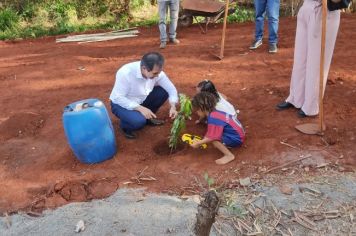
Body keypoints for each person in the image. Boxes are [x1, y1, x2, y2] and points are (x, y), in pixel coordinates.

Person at [276, 0, 340, 117]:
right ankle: (296, 98)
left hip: (324, 10)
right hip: (306, 7)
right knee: (300, 59)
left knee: (316, 62)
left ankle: (310, 106)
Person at [109, 52, 178, 139]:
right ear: (144, 68)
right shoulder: (125, 73)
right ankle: (126, 126)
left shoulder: (157, 73)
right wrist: (140, 108)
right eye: (155, 73)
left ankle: (148, 118)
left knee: (163, 91)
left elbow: (171, 89)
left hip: (141, 99)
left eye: (159, 73)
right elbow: (118, 98)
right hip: (121, 104)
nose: (157, 76)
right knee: (138, 122)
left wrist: (173, 106)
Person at [190, 92, 245, 165]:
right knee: (213, 135)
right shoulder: (215, 113)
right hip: (238, 134)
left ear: (201, 109)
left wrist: (198, 143)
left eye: (197, 110)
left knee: (215, 140)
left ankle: (229, 155)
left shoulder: (213, 119)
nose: (196, 112)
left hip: (236, 139)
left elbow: (212, 137)